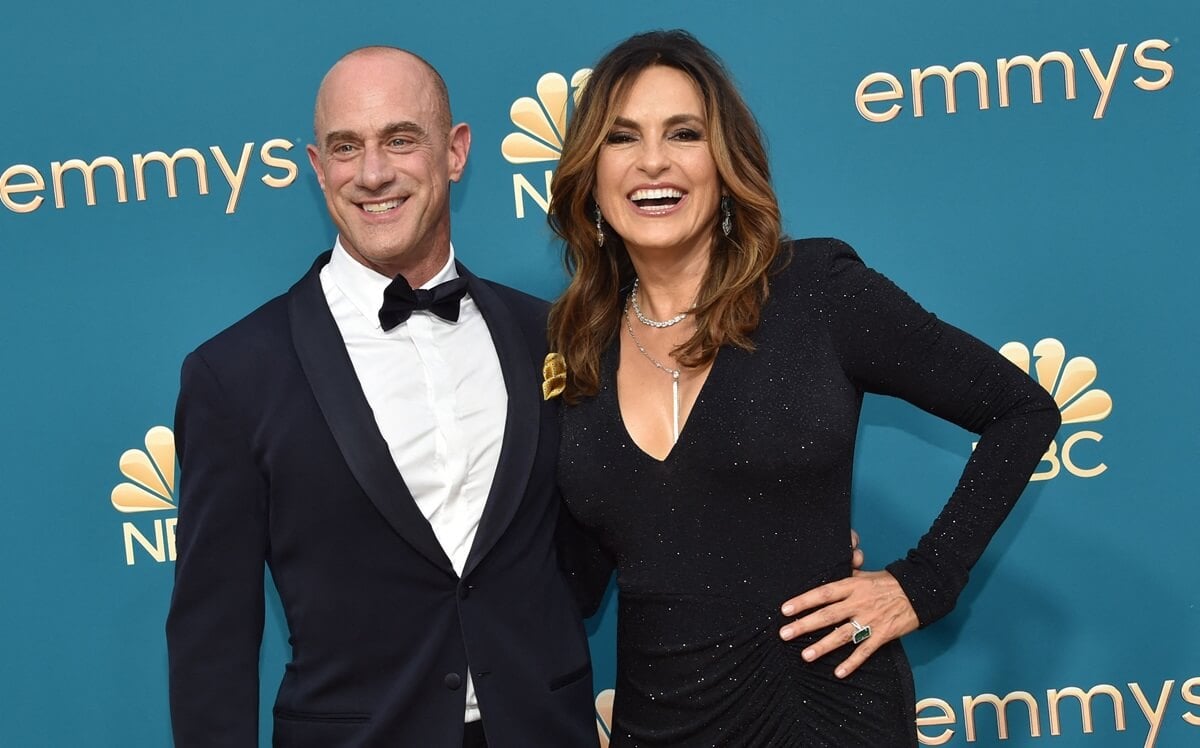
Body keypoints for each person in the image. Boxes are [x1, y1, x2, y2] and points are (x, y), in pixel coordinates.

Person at [547, 30, 1061, 746]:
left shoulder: (815, 291)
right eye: (622, 137)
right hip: (654, 724)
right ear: (591, 173)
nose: (653, 161)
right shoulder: (572, 348)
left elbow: (1022, 409)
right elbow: (569, 575)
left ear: (725, 165)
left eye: (684, 133)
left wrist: (923, 583)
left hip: (823, 714)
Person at [166, 46, 599, 748]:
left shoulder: (546, 335)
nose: (373, 173)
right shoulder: (233, 375)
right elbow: (211, 640)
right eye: (346, 148)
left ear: (455, 152)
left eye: (401, 139)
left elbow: (616, 527)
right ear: (316, 168)